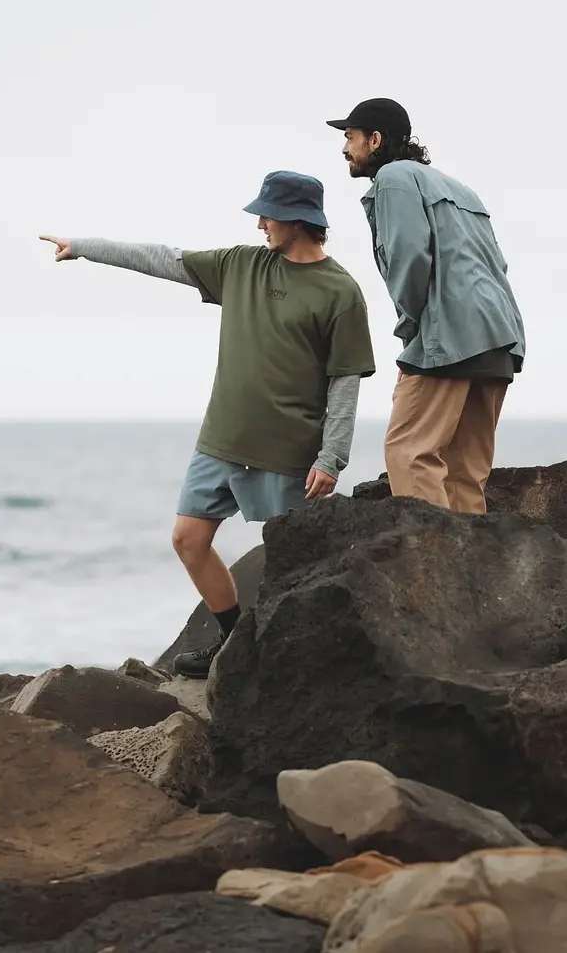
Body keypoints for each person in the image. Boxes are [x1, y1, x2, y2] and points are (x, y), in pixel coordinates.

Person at [39, 170, 376, 678]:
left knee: (292, 566)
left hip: (286, 452)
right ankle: (231, 641)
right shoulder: (240, 266)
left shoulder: (340, 291)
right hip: (221, 441)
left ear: (299, 220)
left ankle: (293, 663)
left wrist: (332, 456)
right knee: (188, 539)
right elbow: (163, 259)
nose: (260, 222)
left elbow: (345, 381)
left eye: (268, 214)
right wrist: (84, 246)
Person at [325, 98, 526, 514]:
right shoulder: (460, 188)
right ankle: (472, 573)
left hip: (448, 336)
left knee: (410, 452)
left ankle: (432, 569)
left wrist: (414, 332)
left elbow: (408, 256)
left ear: (375, 139)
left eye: (350, 137)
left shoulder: (394, 178)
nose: (344, 148)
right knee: (465, 474)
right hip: (500, 336)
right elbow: (497, 263)